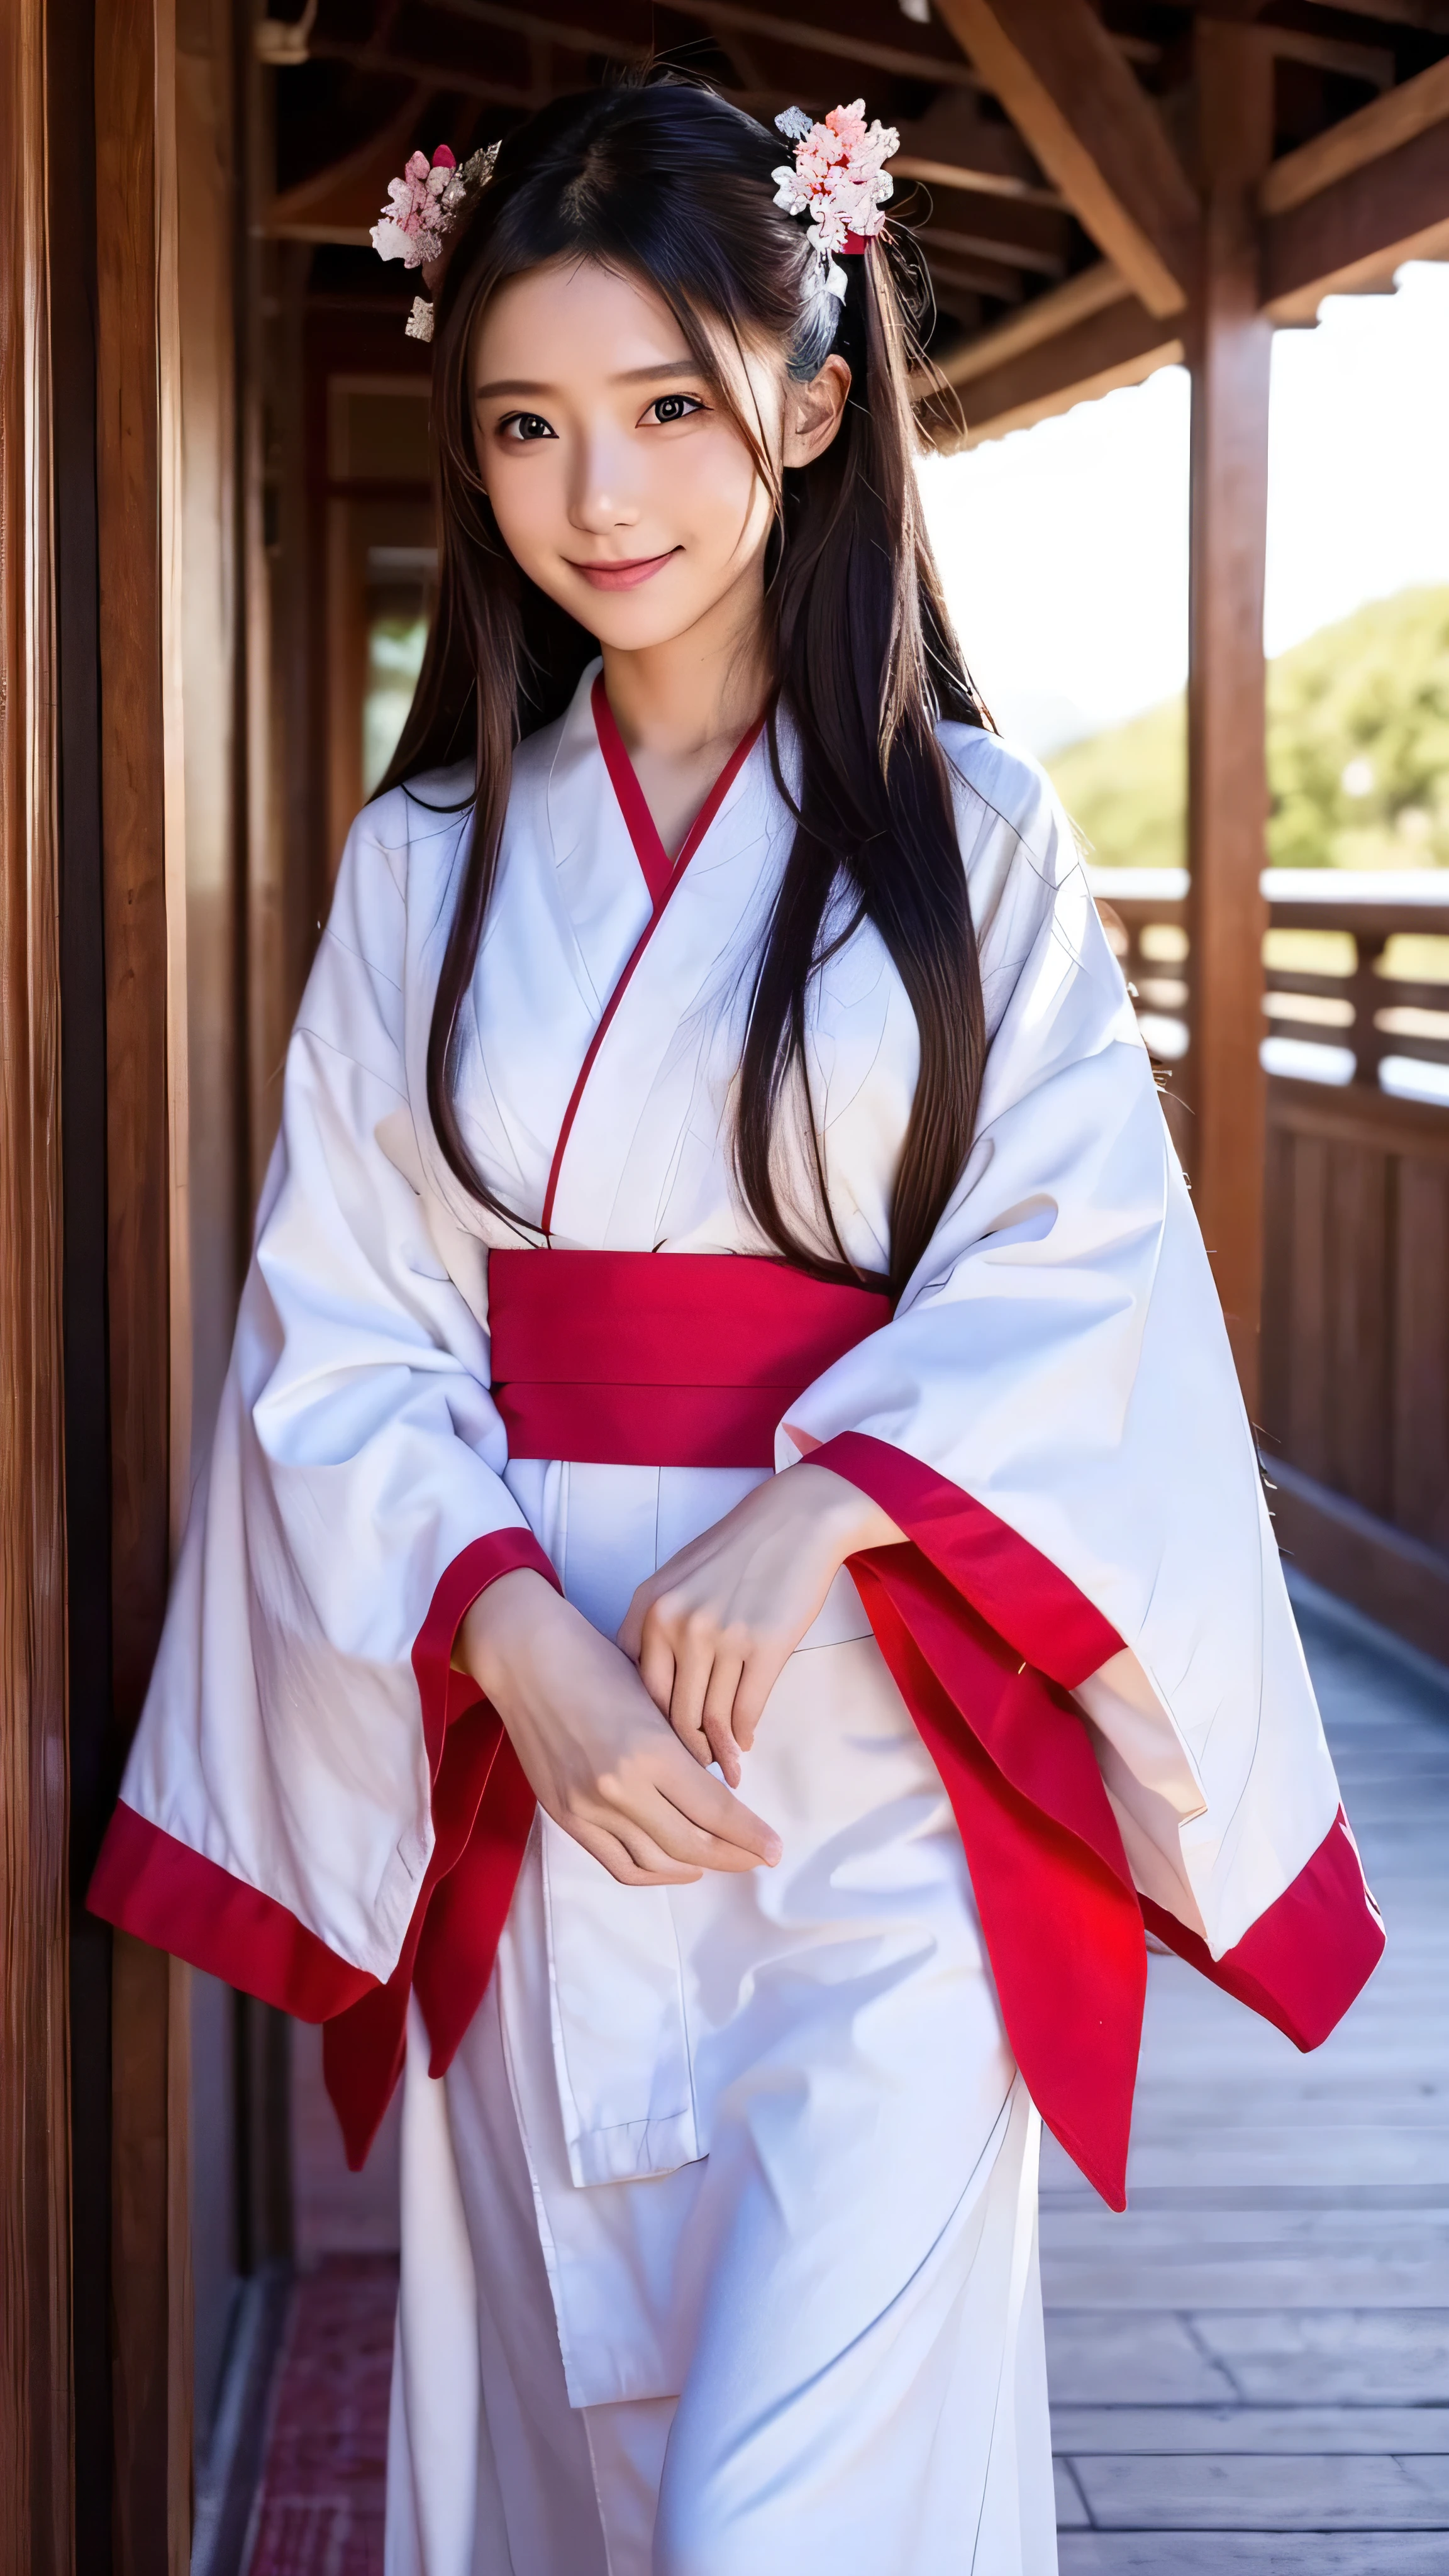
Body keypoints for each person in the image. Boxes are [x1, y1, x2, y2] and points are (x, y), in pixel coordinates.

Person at [91, 76, 1384, 2576]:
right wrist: (509, 1642)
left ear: (807, 402)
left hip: (880, 1765)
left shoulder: (970, 833)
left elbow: (1071, 1261)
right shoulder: (425, 863)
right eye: (529, 425)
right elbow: (342, 1332)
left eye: (670, 405)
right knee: (583, 2478)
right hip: (546, 1761)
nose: (600, 494)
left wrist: (818, 1499)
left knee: (788, 2520)